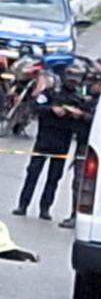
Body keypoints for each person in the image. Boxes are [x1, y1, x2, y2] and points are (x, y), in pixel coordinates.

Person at [11, 70, 73, 220]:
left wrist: (72, 113)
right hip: (44, 140)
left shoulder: (76, 98)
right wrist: (51, 109)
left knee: (54, 178)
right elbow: (35, 107)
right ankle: (23, 205)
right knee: (33, 173)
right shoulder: (49, 94)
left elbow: (85, 115)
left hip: (62, 142)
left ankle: (45, 208)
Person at [59, 61, 101, 229]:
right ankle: (74, 214)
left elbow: (99, 121)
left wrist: (82, 115)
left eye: (92, 84)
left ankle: (78, 216)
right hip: (83, 143)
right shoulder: (90, 98)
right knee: (77, 182)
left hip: (93, 147)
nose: (89, 87)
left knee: (83, 182)